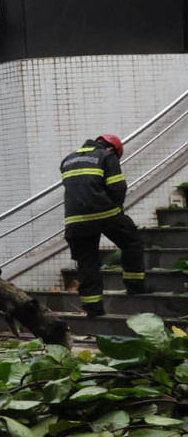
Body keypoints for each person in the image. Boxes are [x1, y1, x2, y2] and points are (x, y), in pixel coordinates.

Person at [60, 134, 147, 316]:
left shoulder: (68, 160)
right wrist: (116, 208)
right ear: (111, 148)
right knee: (132, 242)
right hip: (105, 213)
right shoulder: (107, 156)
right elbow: (117, 187)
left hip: (75, 220)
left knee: (87, 262)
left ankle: (93, 308)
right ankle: (135, 286)